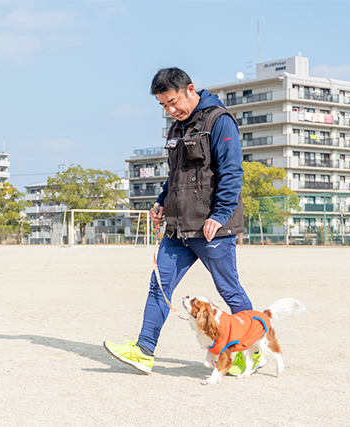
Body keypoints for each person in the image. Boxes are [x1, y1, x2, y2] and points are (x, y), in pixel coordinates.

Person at [104, 67, 263, 375]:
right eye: (163, 105)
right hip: (178, 227)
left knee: (229, 289)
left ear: (191, 90)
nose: (170, 109)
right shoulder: (177, 129)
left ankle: (251, 350)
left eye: (173, 101)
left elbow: (232, 173)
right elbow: (175, 175)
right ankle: (144, 351)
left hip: (211, 227)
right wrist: (161, 202)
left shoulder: (219, 121)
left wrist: (219, 215)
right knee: (159, 286)